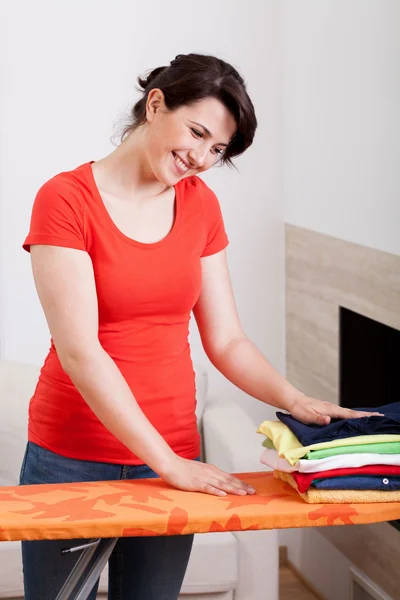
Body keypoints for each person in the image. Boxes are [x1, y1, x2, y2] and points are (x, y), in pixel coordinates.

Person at [20, 53, 378, 600]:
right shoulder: (65, 200)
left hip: (175, 450)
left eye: (218, 150)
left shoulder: (201, 206)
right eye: (197, 133)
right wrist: (168, 464)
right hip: (74, 454)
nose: (202, 158)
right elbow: (81, 352)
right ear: (156, 103)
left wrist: (297, 400)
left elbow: (226, 339)